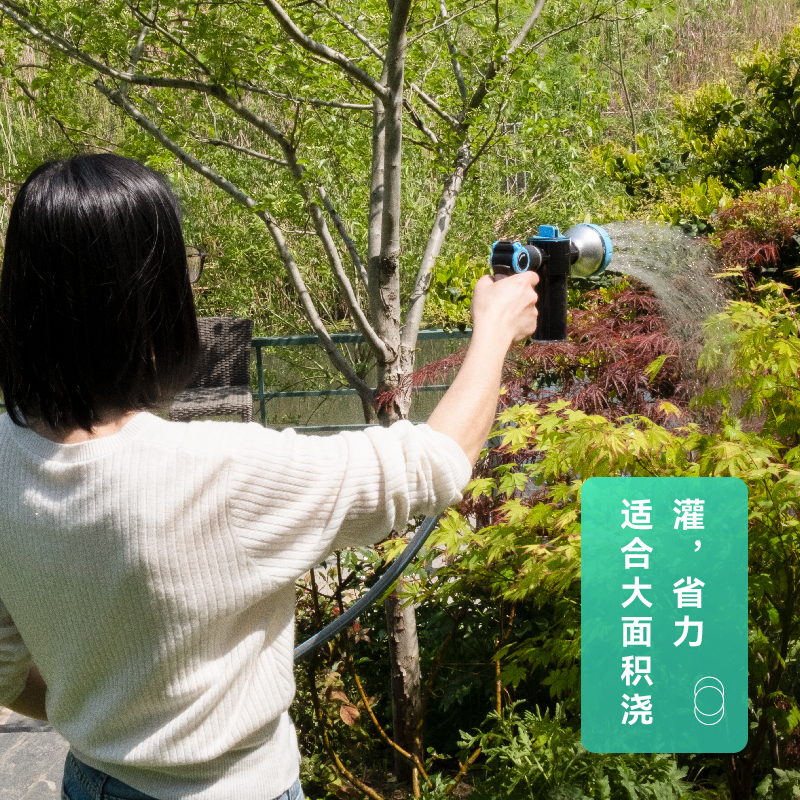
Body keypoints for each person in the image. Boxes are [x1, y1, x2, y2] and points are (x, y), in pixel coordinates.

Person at [0, 154, 538, 800]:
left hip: (91, 783)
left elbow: (5, 674)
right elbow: (435, 464)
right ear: (153, 301)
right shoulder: (215, 473)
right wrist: (495, 331)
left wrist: (109, 720)